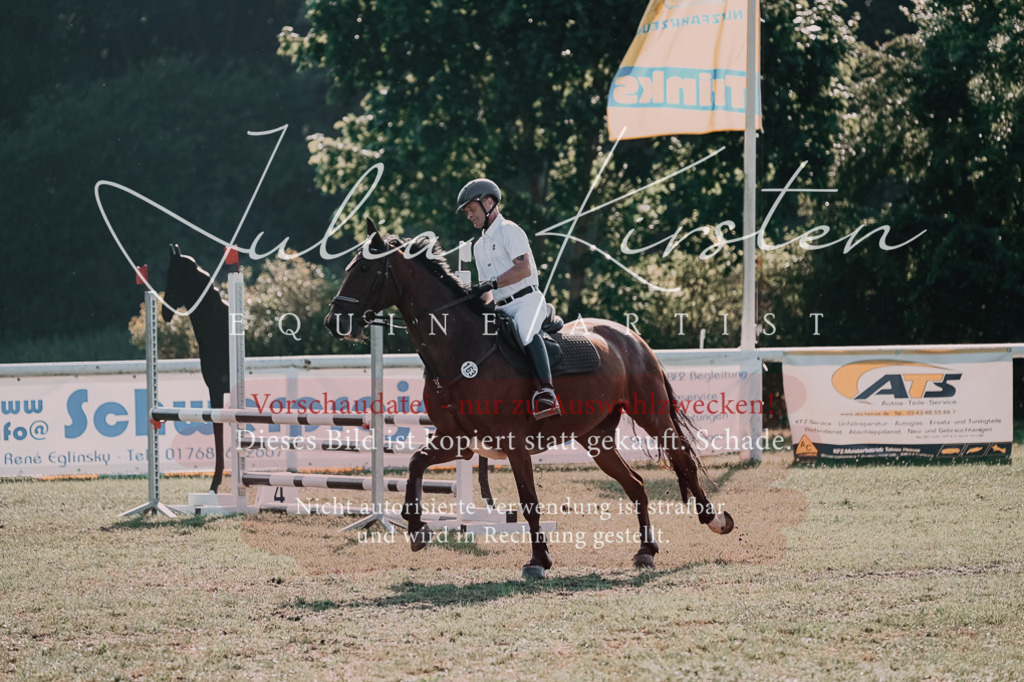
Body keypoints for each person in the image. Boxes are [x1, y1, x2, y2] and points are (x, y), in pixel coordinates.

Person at [456, 178, 561, 419]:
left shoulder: (509, 230)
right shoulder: (479, 246)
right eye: (466, 212)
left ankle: (546, 392)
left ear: (488, 203)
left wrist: (492, 283)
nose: (469, 215)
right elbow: (486, 291)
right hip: (501, 307)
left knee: (524, 332)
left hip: (526, 301)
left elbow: (523, 269)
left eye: (471, 209)